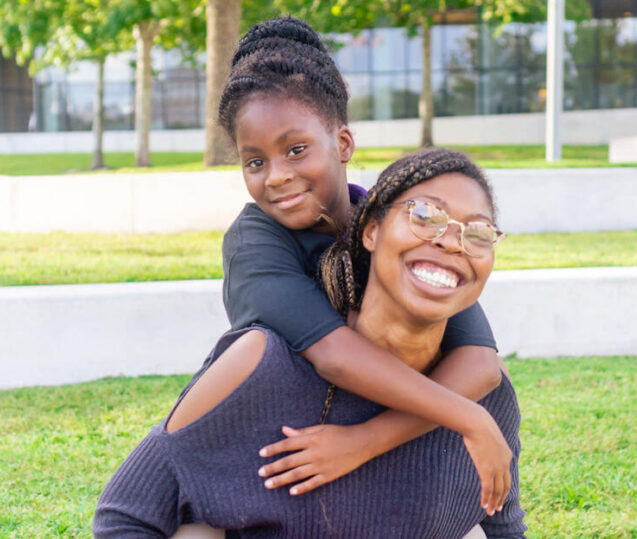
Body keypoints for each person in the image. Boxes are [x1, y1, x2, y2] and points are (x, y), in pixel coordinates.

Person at [94, 148, 525, 538]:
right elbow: (124, 518)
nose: (451, 242)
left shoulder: (484, 392)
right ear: (371, 232)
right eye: (426, 216)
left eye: (478, 233)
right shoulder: (262, 369)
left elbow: (504, 530)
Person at [214, 16, 510, 511]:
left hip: (370, 451)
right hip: (283, 455)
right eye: (255, 162)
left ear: (343, 144)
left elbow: (480, 363)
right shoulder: (254, 246)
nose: (277, 176)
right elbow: (334, 355)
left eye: (296, 149)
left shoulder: (394, 224)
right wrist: (469, 418)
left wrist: (366, 440)